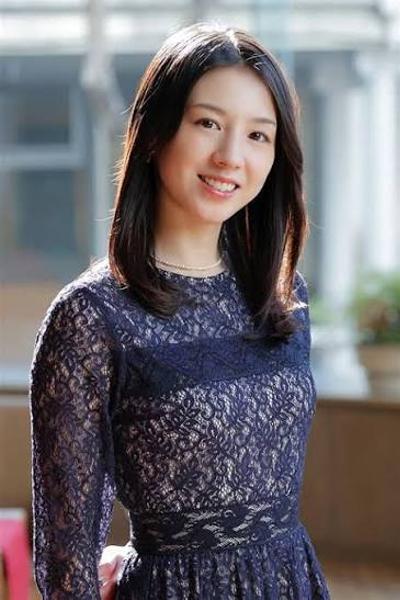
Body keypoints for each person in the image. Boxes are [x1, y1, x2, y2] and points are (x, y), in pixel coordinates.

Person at [29, 21, 331, 600]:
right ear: (155, 132)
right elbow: (67, 563)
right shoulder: (91, 317)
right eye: (208, 123)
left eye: (258, 135)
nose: (231, 156)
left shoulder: (282, 295)